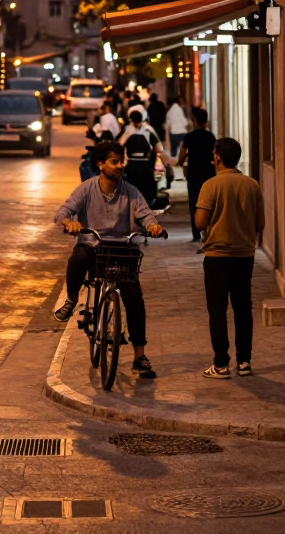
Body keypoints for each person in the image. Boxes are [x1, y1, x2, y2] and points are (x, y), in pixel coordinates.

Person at [53, 139, 163, 379]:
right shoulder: (86, 189)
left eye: (121, 161)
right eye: (114, 162)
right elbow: (63, 212)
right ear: (101, 164)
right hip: (93, 249)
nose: (120, 166)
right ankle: (72, 300)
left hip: (121, 251)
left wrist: (153, 226)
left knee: (134, 298)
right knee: (78, 255)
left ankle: (139, 356)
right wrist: (70, 222)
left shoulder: (131, 192)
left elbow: (146, 215)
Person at [195, 136, 265, 380]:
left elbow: (200, 222)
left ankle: (221, 364)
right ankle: (244, 361)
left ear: (217, 157)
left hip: (217, 256)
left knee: (217, 310)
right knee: (243, 308)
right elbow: (260, 223)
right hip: (244, 255)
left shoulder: (210, 186)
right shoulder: (252, 185)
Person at [178, 107, 216, 245]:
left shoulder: (189, 137)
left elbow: (181, 157)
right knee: (210, 202)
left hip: (194, 174)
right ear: (206, 121)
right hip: (209, 173)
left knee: (194, 203)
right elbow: (215, 155)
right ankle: (209, 231)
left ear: (194, 121)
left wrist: (182, 163)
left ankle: (196, 233)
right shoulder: (211, 137)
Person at [119, 105, 164, 204]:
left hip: (130, 166)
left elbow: (119, 146)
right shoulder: (148, 130)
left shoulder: (126, 131)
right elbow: (159, 148)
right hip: (146, 165)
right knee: (146, 192)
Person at [165, 94, 189, 161]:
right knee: (183, 148)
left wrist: (167, 136)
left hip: (173, 133)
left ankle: (174, 161)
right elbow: (185, 122)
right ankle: (181, 160)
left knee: (173, 151)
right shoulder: (179, 110)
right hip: (182, 132)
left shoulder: (169, 111)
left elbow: (168, 124)